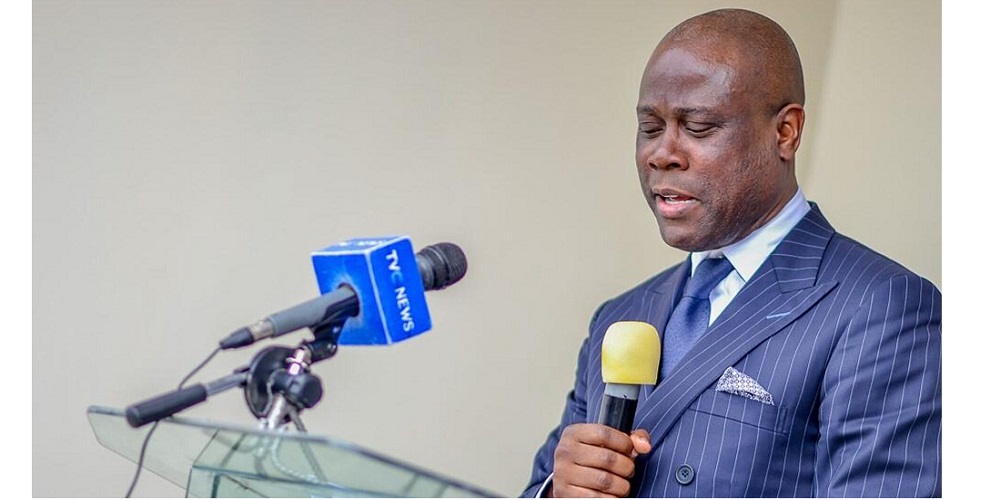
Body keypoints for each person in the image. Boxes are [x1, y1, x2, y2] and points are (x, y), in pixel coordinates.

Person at [521, 8, 941, 498]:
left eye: (698, 126)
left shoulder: (882, 308)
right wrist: (557, 491)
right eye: (650, 128)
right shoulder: (619, 317)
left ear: (785, 133)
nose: (662, 153)